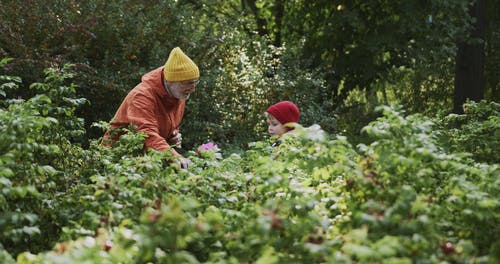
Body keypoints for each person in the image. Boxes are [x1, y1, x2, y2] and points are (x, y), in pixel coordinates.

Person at [102, 47, 199, 169]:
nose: (193, 88)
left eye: (195, 82)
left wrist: (173, 136)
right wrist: (173, 156)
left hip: (147, 161)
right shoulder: (142, 96)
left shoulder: (178, 94)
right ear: (171, 81)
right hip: (116, 160)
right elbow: (146, 134)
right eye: (189, 83)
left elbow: (169, 126)